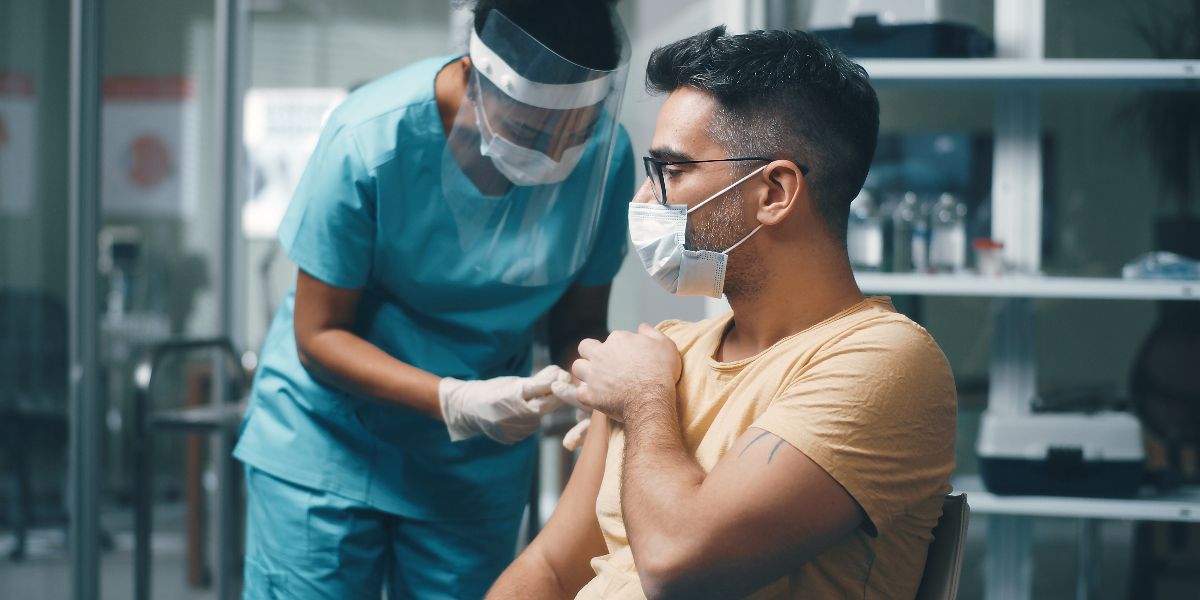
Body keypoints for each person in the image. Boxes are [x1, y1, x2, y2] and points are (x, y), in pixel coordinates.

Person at [488, 26, 956, 600]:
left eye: (672, 171)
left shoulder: (883, 362)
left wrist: (641, 404)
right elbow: (551, 570)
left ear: (774, 192)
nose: (645, 199)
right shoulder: (667, 350)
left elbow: (677, 567)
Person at [232, 1, 633, 597]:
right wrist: (455, 399)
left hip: (472, 465)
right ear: (472, 75)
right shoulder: (370, 138)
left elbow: (577, 321)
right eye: (527, 131)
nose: (552, 157)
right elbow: (318, 335)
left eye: (572, 135)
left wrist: (595, 388)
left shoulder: (607, 156)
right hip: (329, 443)